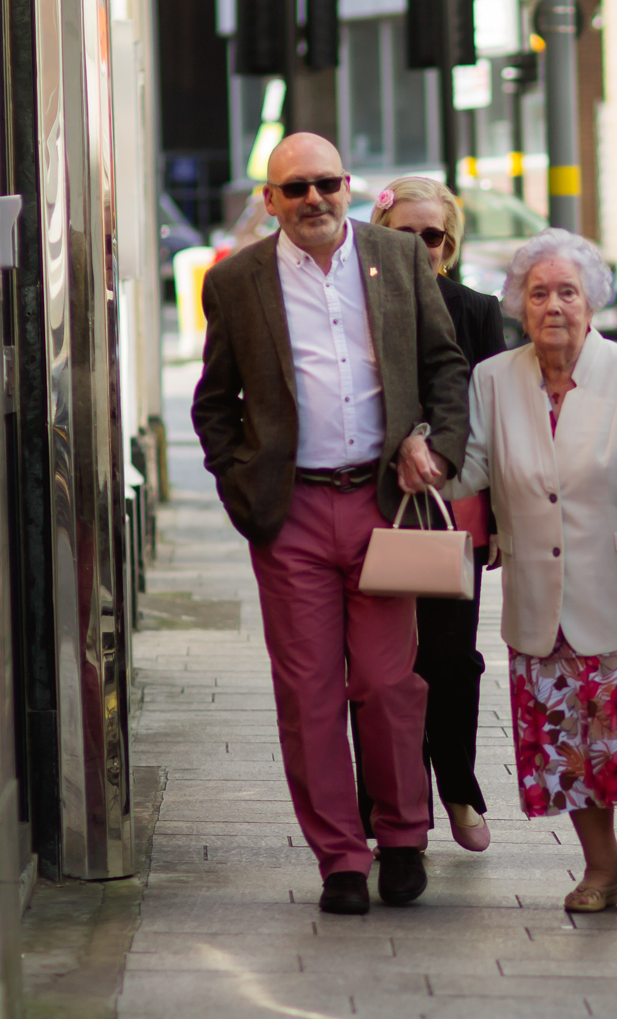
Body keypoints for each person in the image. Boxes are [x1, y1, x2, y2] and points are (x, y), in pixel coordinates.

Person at [191, 133, 469, 917]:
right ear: (271, 201)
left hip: (383, 503)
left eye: (327, 183)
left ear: (348, 185)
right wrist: (243, 490)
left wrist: (438, 450)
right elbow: (215, 403)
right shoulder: (239, 281)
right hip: (292, 513)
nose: (314, 199)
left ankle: (403, 836)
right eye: (296, 188)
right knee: (309, 691)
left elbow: (446, 367)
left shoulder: (398, 258)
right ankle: (341, 857)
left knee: (387, 681)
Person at [447, 231, 617, 914]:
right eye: (538, 293)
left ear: (592, 300)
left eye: (567, 291)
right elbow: (471, 470)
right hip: (545, 597)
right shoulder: (494, 379)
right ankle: (601, 863)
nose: (553, 306)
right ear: (519, 306)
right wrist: (418, 446)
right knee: (570, 744)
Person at [376, 176, 504, 853]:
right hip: (373, 508)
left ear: (448, 246)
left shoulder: (477, 310)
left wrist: (504, 520)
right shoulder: (358, 305)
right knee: (380, 664)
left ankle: (457, 786)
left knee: (452, 657)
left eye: (434, 236)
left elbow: (495, 418)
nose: (422, 246)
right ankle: (395, 807)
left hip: (457, 507)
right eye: (408, 233)